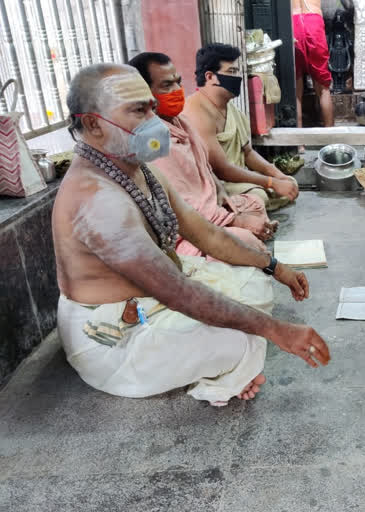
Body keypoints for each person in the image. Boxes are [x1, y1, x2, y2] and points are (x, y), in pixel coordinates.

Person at [54, 64, 330, 407]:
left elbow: (208, 236)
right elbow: (177, 292)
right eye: (138, 110)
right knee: (244, 341)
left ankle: (222, 370)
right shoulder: (96, 200)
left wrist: (276, 267)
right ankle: (220, 377)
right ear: (94, 123)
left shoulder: (137, 170)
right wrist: (278, 330)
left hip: (152, 301)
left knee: (255, 286)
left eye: (151, 106)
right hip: (111, 335)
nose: (153, 121)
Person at [128, 51, 274, 252]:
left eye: (178, 82)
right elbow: (183, 208)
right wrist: (236, 221)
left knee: (256, 202)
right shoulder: (153, 142)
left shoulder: (182, 122)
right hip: (189, 225)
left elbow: (209, 166)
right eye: (167, 85)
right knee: (247, 244)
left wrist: (221, 192)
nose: (178, 90)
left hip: (212, 204)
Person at [183, 43, 299, 214]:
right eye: (231, 72)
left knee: (290, 183)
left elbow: (248, 153)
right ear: (209, 77)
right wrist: (270, 183)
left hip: (238, 180)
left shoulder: (232, 110)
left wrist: (277, 175)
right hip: (216, 183)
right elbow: (221, 169)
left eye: (238, 72)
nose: (237, 77)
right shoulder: (196, 110)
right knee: (259, 195)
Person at [292, 0, 334, 129]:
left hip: (293, 23)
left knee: (296, 89)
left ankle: (299, 144)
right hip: (313, 20)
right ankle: (330, 137)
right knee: (323, 87)